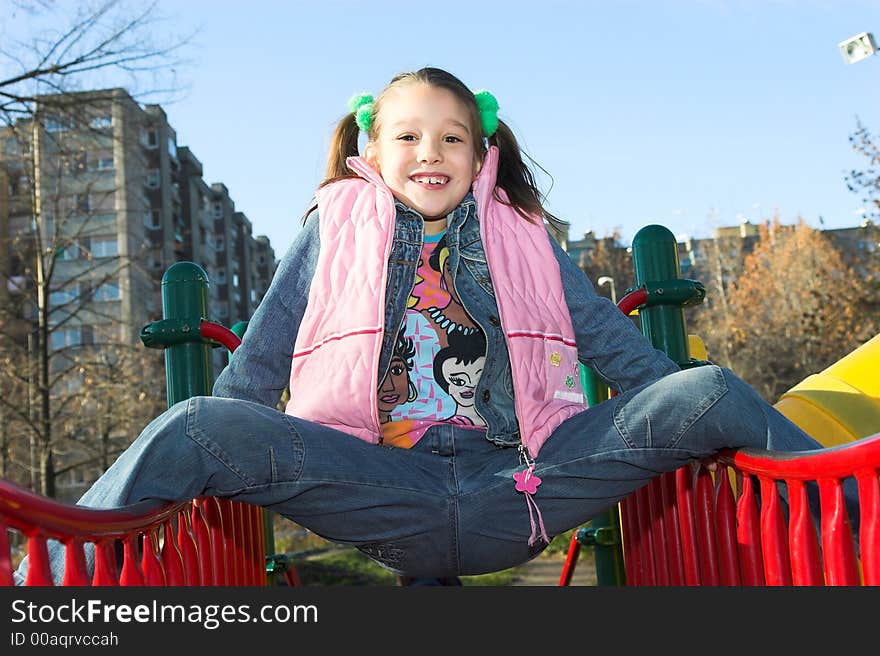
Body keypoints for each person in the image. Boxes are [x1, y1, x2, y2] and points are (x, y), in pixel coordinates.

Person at [16, 66, 856, 586]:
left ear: (481, 153)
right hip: (385, 489)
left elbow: (611, 344)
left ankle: (857, 514)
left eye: (452, 136)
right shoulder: (331, 230)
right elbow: (263, 355)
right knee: (198, 422)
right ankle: (42, 588)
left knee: (705, 389)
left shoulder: (525, 236)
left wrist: (669, 409)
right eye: (409, 134)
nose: (432, 150)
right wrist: (224, 455)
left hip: (522, 483)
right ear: (372, 150)